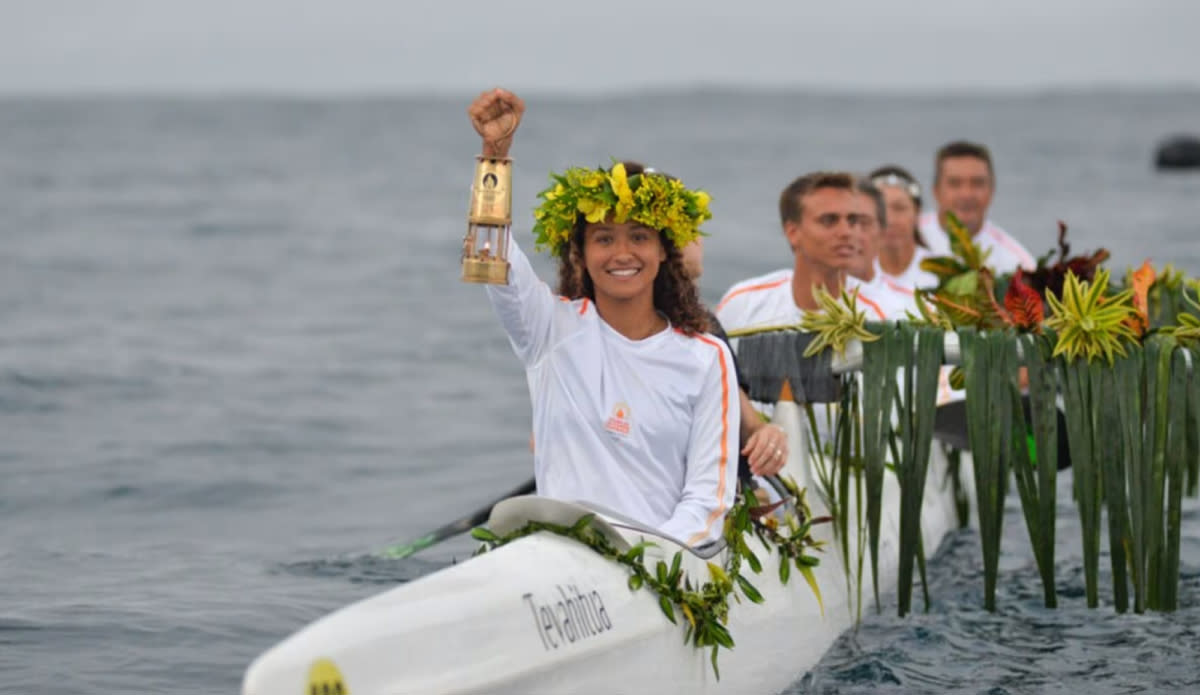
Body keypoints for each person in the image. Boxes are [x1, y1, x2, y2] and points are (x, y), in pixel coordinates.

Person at [467, 88, 738, 547]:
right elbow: (490, 258)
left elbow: (707, 502)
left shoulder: (705, 356)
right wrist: (494, 157)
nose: (622, 254)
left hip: (656, 568)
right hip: (556, 558)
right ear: (582, 254)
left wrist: (644, 558)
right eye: (604, 239)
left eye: (639, 237)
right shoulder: (549, 331)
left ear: (662, 251)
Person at [715, 171, 890, 332]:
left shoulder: (885, 316)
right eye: (829, 220)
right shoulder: (743, 304)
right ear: (792, 232)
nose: (847, 232)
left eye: (852, 220)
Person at [918, 141, 1035, 274]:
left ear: (992, 190)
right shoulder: (903, 236)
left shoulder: (1019, 265)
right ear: (936, 191)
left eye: (977, 183)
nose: (966, 194)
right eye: (955, 183)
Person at [846, 177, 918, 319]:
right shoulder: (789, 284)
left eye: (864, 222)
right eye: (830, 221)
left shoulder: (912, 307)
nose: (851, 233)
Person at [869, 165, 938, 292]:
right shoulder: (851, 275)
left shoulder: (942, 273)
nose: (889, 220)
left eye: (899, 208)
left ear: (917, 212)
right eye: (880, 209)